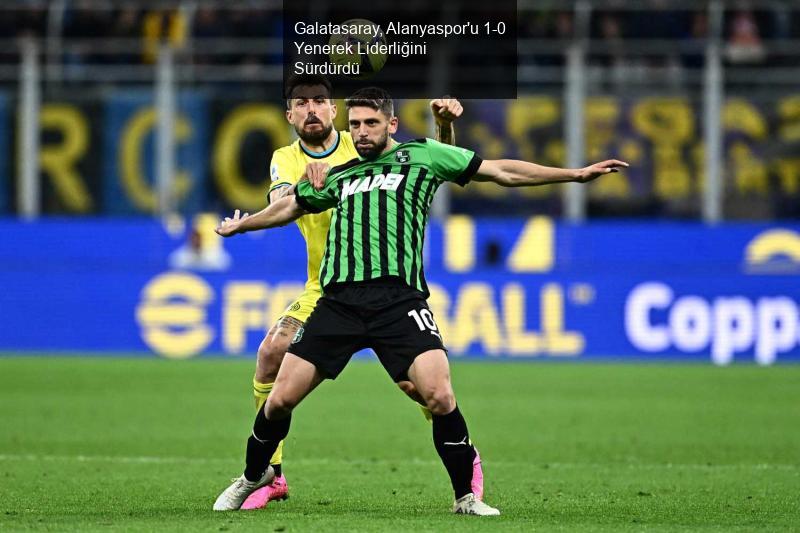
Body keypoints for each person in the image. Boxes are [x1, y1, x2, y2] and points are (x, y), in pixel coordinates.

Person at [212, 87, 628, 515]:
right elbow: (289, 207)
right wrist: (241, 227)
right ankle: (255, 475)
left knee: (438, 394)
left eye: (370, 123)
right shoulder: (340, 175)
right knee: (280, 398)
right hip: (339, 302)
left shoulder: (422, 155)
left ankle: (466, 496)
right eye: (354, 125)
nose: (361, 132)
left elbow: (501, 171)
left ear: (391, 124)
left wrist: (575, 175)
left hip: (399, 301)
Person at [241, 74, 473, 510]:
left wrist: (443, 127)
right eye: (301, 103)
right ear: (288, 114)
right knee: (273, 350)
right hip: (326, 286)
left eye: (320, 102)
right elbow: (286, 201)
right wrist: (304, 186)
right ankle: (271, 475)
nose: (311, 109)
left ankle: (463, 449)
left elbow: (435, 163)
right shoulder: (285, 157)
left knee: (420, 388)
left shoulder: (363, 138)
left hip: (384, 283)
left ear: (335, 111)